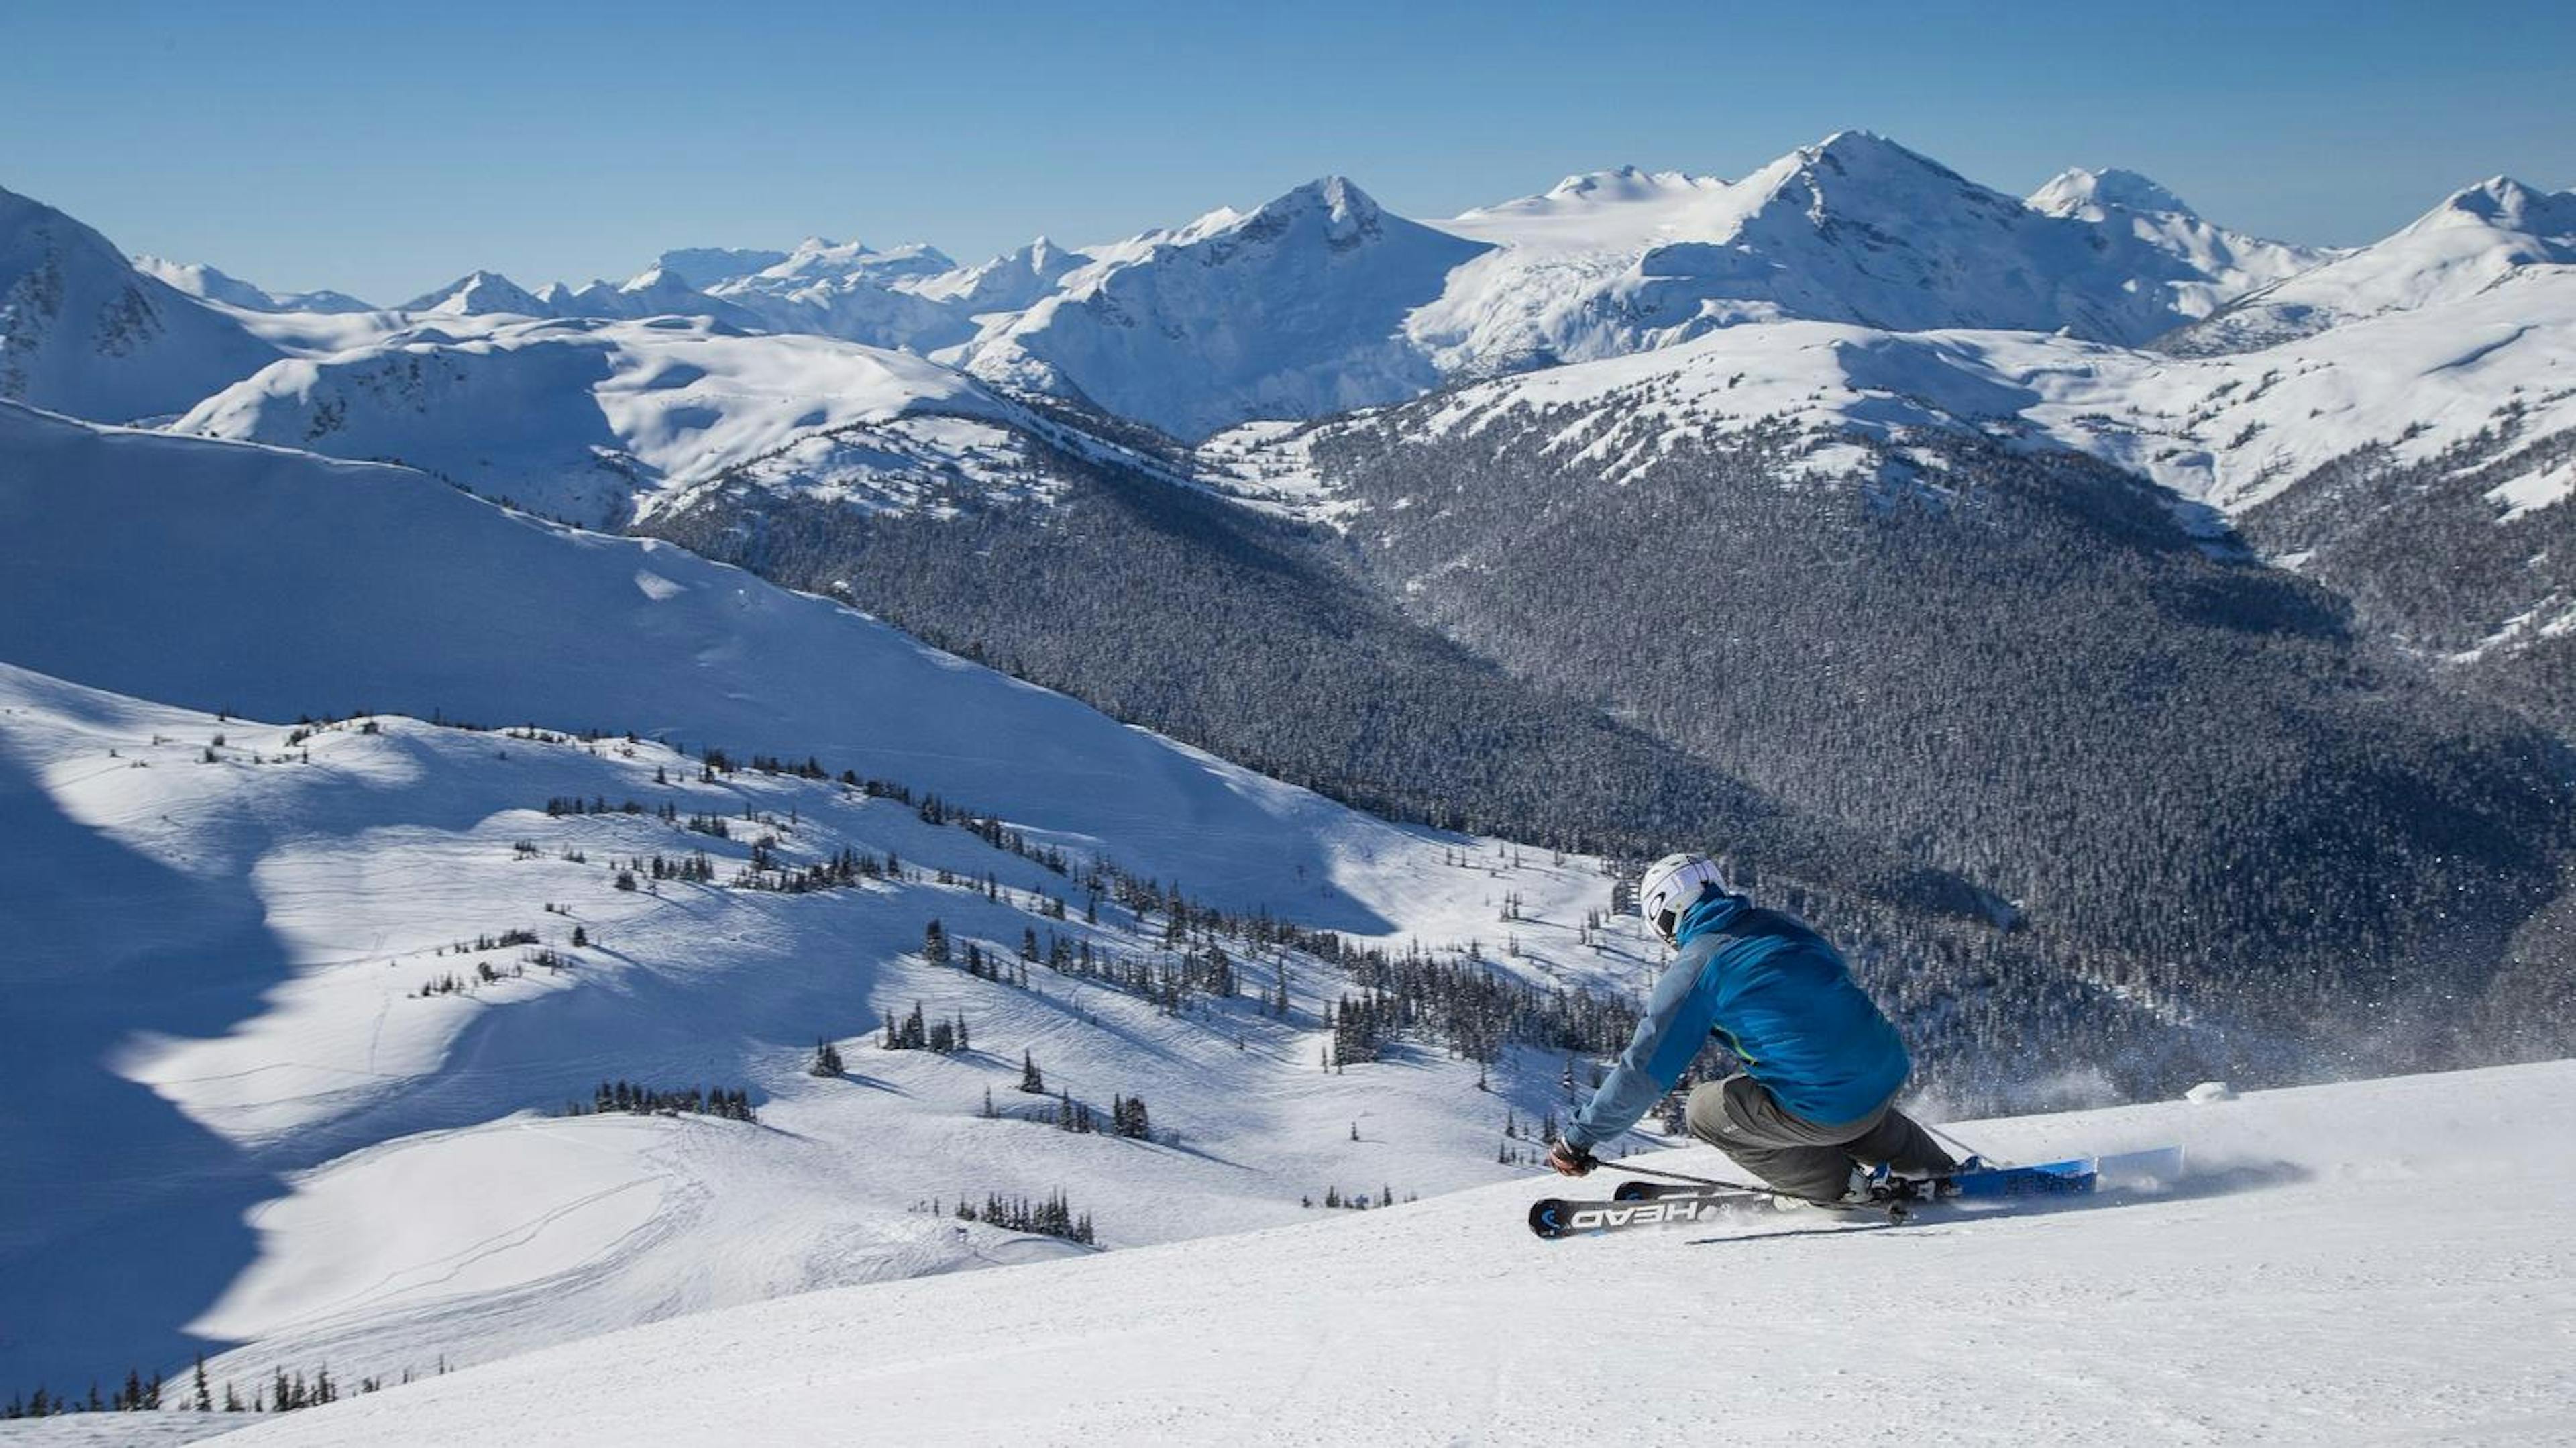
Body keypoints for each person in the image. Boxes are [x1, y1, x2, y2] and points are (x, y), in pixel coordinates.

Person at [1548, 853, 1953, 1202]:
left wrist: (1579, 1139)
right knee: (1820, 1087)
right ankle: (1929, 1167)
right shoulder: (1779, 925)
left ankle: (1839, 1188)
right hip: (1886, 1068)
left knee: (1704, 1110)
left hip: (1834, 1105)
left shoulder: (1699, 967)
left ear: (1663, 916)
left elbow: (1645, 1071)